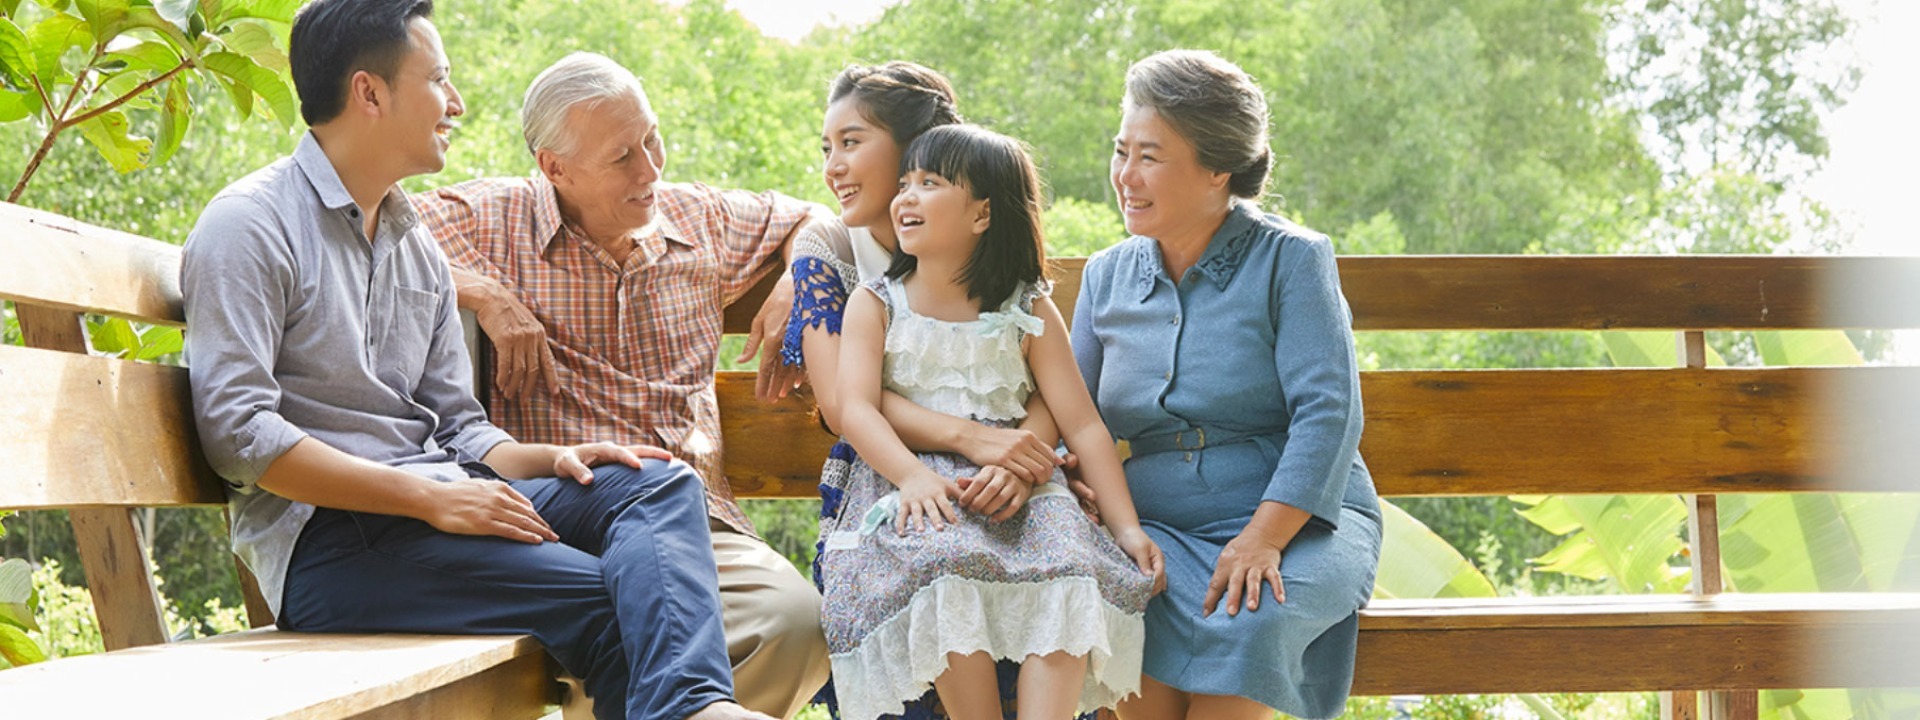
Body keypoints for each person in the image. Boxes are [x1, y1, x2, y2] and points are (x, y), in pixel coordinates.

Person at [180, 3, 769, 719]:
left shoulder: (415, 246)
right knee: (614, 597)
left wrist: (551, 457)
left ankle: (692, 710)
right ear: (370, 94)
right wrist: (432, 498)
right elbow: (239, 438)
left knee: (654, 481)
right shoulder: (251, 224)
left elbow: (458, 429)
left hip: (438, 504)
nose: (455, 104)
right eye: (439, 79)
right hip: (330, 543)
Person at [411, 51, 830, 718]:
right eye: (622, 156)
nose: (652, 169)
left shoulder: (702, 219)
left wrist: (798, 281)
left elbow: (818, 217)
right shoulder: (490, 219)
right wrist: (482, 291)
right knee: (621, 625)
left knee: (795, 623)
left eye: (652, 137)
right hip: (553, 525)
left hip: (694, 523)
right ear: (555, 167)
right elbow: (367, 230)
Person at [1071, 50, 1383, 720]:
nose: (1125, 176)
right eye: (1121, 150)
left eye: (1149, 157)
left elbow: (1328, 413)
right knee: (1112, 603)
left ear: (1218, 168)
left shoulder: (1292, 259)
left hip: (1297, 524)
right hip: (1152, 529)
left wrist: (1265, 536)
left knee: (1251, 618)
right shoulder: (1105, 276)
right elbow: (1076, 419)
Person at [824, 124, 1166, 720]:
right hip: (921, 483)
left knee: (1072, 565)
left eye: (929, 183)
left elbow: (1081, 423)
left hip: (1023, 486)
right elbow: (857, 408)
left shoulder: (1027, 306)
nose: (905, 196)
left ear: (982, 215)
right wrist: (911, 477)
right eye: (905, 182)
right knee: (942, 564)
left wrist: (1128, 528)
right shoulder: (877, 302)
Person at [781, 62, 1081, 720]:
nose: (834, 165)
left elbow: (1032, 363)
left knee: (1056, 585)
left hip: (1008, 485)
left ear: (918, 147)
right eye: (826, 147)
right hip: (897, 485)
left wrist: (1025, 458)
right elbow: (843, 403)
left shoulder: (984, 240)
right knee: (932, 581)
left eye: (852, 142)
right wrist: (977, 439)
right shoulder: (830, 246)